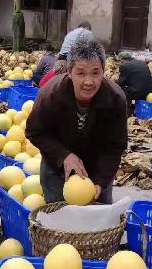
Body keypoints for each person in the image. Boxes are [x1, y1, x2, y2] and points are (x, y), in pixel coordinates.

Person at [26, 38, 128, 205]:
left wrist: (100, 181)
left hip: (98, 165)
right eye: (81, 73)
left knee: (98, 222)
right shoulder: (50, 94)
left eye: (95, 72)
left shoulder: (115, 98)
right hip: (56, 166)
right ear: (69, 72)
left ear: (104, 71)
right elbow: (34, 131)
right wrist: (64, 155)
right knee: (57, 220)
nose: (89, 81)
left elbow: (116, 145)